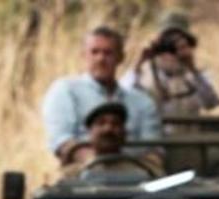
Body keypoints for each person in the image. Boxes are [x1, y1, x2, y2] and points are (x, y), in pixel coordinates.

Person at [41, 25, 162, 167]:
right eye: (94, 52)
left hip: (135, 175)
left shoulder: (142, 102)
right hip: (81, 176)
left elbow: (153, 148)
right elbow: (61, 140)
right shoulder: (65, 90)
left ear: (120, 57)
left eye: (108, 53)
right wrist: (96, 164)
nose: (101, 59)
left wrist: (139, 170)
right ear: (84, 55)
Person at [121, 10, 219, 118]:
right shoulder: (144, 73)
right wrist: (138, 65)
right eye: (167, 42)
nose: (172, 48)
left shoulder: (197, 75)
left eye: (178, 42)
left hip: (188, 134)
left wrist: (192, 69)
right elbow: (122, 99)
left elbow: (211, 104)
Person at [62, 102, 161, 179]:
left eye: (116, 124)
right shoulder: (73, 174)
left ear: (124, 133)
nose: (108, 129)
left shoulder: (147, 170)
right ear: (90, 133)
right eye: (101, 123)